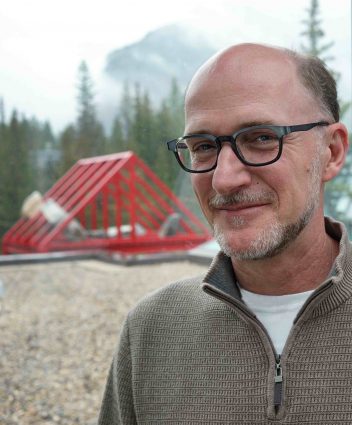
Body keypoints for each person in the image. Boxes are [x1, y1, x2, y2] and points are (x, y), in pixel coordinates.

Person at [98, 43, 351, 424]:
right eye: (203, 147)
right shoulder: (151, 330)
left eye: (262, 138)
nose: (224, 178)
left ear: (331, 152)